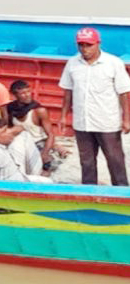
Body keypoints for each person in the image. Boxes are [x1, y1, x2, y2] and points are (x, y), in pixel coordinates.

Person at [59, 27, 130, 186]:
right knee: (87, 162)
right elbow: (68, 91)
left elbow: (123, 93)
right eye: (81, 45)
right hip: (82, 123)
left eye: (89, 45)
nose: (85, 49)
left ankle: (121, 193)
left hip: (107, 122)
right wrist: (63, 116)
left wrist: (126, 119)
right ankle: (89, 193)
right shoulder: (72, 63)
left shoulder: (113, 63)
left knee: (115, 160)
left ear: (98, 43)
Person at [6, 80, 67, 167]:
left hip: (39, 143)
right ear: (15, 95)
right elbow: (9, 129)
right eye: (23, 93)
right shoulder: (11, 109)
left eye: (28, 91)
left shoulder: (39, 111)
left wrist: (44, 153)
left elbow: (50, 135)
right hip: (21, 144)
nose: (27, 95)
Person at [0, 119, 51, 183]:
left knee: (24, 135)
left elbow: (20, 128)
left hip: (17, 176)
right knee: (48, 183)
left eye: (7, 129)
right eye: (4, 131)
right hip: (14, 187)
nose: (10, 132)